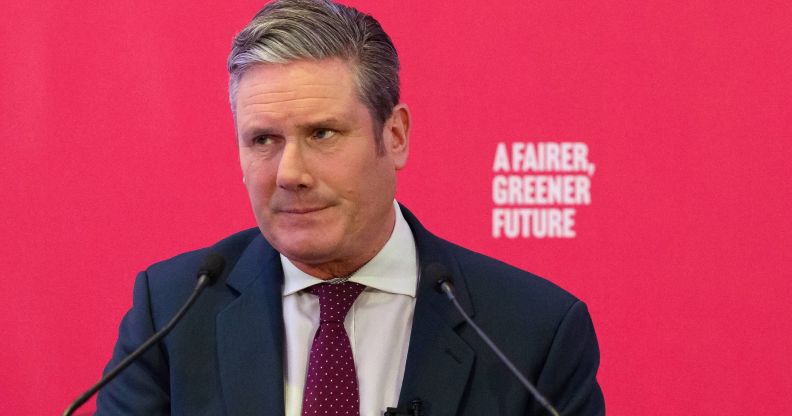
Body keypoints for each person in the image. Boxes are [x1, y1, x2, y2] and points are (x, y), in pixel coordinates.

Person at [96, 0, 605, 415]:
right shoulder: (171, 314)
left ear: (395, 135)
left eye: (323, 133)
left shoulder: (531, 331)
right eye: (263, 140)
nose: (290, 172)